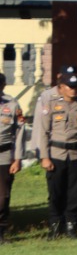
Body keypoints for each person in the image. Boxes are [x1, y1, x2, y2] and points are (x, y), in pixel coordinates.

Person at [33, 72, 77, 238]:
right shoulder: (51, 104)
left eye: (76, 87)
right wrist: (44, 157)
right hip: (56, 154)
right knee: (56, 192)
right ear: (61, 88)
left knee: (76, 192)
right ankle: (55, 225)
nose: (73, 90)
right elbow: (44, 132)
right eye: (70, 86)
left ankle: (71, 225)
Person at [0, 75, 23, 244]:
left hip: (4, 155)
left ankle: (0, 233)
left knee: (3, 196)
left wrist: (18, 158)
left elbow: (20, 133)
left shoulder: (12, 104)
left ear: (3, 85)